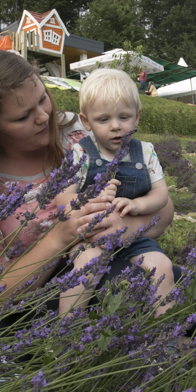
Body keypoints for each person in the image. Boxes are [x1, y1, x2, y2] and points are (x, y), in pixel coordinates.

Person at [0, 50, 175, 305]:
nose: (43, 117)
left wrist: (126, 227)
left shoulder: (81, 130)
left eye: (42, 98)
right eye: (23, 116)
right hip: (33, 312)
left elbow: (165, 209)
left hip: (120, 268)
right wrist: (60, 237)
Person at [60, 69, 175, 317]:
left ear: (137, 116)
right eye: (103, 120)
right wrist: (91, 199)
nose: (115, 126)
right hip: (91, 238)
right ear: (86, 121)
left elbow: (161, 194)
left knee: (163, 266)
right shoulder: (80, 153)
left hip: (133, 236)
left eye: (124, 117)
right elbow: (63, 198)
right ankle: (65, 327)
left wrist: (138, 205)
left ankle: (167, 331)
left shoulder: (145, 152)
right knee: (86, 266)